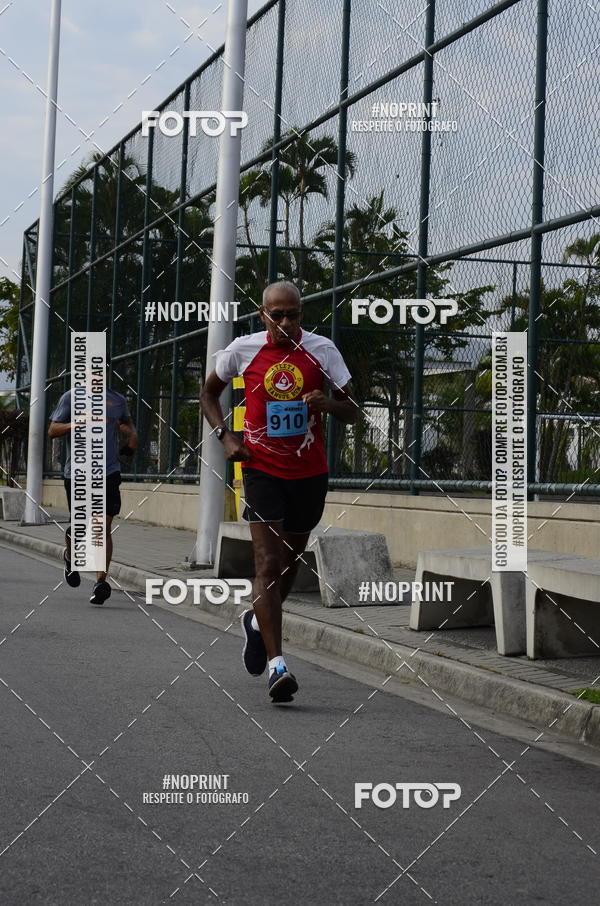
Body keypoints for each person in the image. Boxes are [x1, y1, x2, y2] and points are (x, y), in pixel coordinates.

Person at [201, 281, 357, 702]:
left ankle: (256, 621)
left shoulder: (322, 351)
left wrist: (327, 403)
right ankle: (278, 666)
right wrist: (226, 437)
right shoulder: (243, 349)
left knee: (288, 565)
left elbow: (354, 411)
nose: (286, 322)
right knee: (267, 564)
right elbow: (208, 393)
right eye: (277, 314)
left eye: (293, 314)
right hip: (260, 470)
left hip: (308, 472)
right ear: (262, 314)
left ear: (301, 314)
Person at [48, 363, 138, 606]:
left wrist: (132, 436)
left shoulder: (117, 400)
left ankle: (100, 582)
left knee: (103, 526)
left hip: (108, 472)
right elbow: (53, 430)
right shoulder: (71, 397)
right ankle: (71, 556)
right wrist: (76, 424)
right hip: (76, 473)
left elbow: (125, 422)